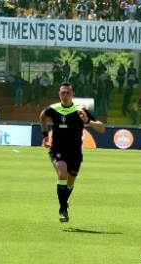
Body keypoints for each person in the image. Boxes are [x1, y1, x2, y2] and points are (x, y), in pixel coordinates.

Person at [39, 82, 105, 223]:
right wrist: (45, 135)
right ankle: (63, 209)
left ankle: (64, 201)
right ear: (59, 94)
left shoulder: (80, 110)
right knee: (62, 174)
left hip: (75, 152)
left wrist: (87, 121)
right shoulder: (53, 108)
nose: (65, 95)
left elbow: (101, 128)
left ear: (73, 94)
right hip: (57, 149)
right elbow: (42, 116)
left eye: (68, 92)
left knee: (69, 183)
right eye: (63, 92)